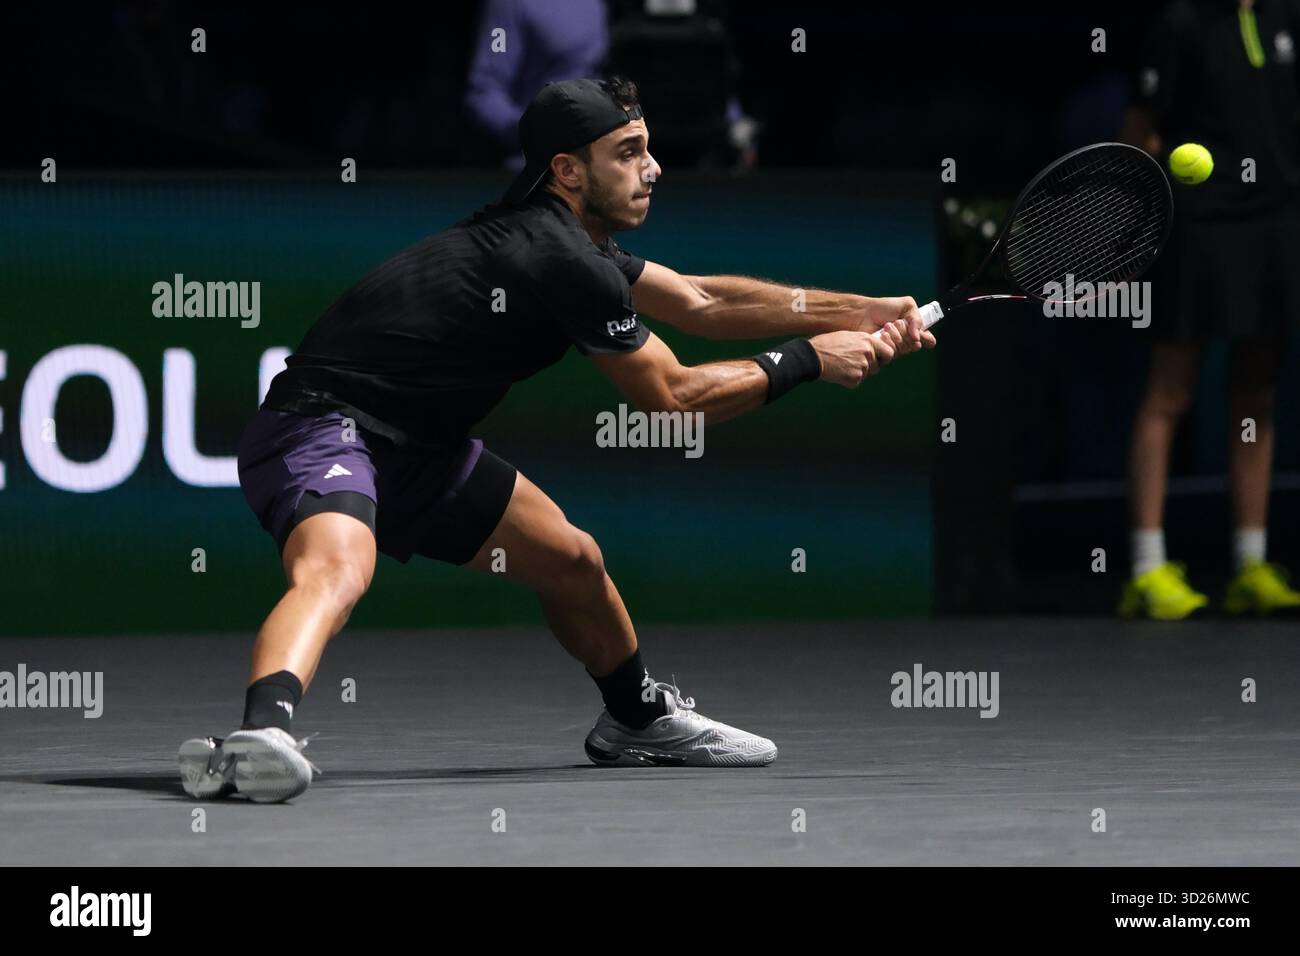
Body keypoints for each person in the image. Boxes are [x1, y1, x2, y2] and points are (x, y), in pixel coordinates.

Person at [178, 76, 934, 803]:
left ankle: (637, 719)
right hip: (320, 422)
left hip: (423, 446)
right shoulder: (556, 256)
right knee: (341, 568)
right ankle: (260, 738)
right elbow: (672, 395)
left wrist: (859, 309)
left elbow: (702, 300)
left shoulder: (576, 244)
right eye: (630, 152)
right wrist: (807, 362)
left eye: (650, 149)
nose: (654, 169)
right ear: (569, 170)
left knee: (574, 561)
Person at [1119, 0, 1300, 620]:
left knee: (1259, 393)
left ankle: (1250, 564)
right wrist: (1134, 216)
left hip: (1276, 220)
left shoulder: (1286, 16)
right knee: (1171, 390)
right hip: (1199, 224)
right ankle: (1147, 567)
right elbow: (1140, 125)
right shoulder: (1180, 21)